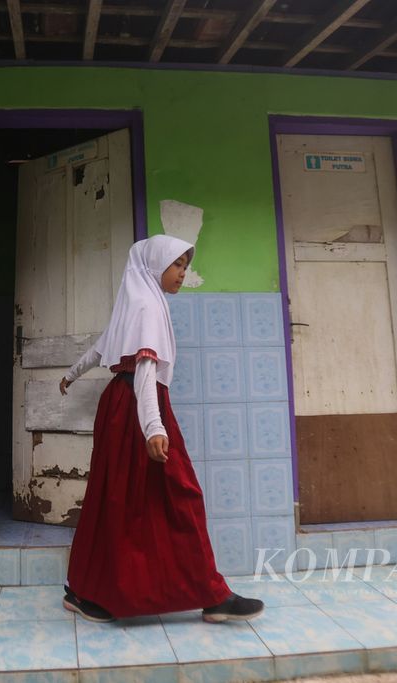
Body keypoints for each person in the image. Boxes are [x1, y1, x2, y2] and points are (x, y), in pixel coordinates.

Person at [58, 234, 264, 624]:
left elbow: (102, 349)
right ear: (154, 265)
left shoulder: (137, 303)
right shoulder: (146, 306)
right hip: (140, 407)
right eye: (177, 265)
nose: (183, 273)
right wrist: (154, 425)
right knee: (175, 495)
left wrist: (71, 374)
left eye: (185, 266)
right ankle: (209, 594)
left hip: (123, 407)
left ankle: (87, 590)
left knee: (118, 498)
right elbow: (145, 369)